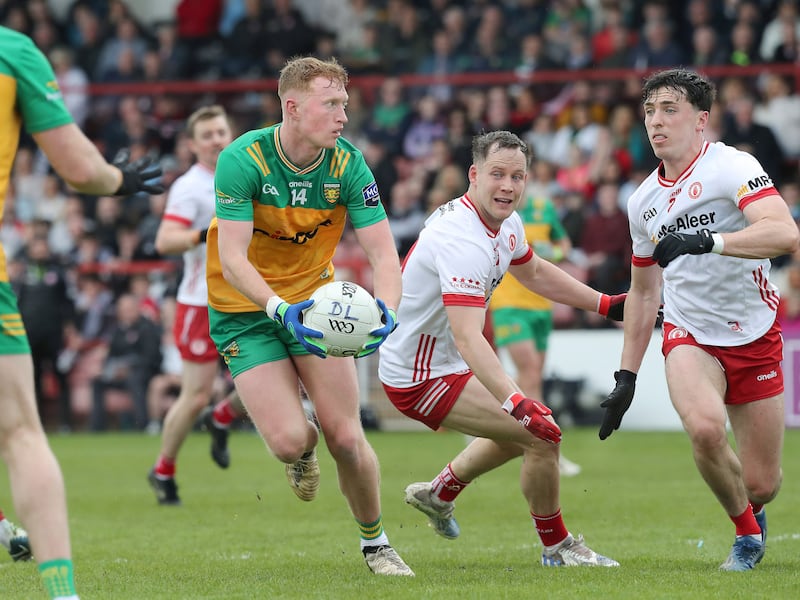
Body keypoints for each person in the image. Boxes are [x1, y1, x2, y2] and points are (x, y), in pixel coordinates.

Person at [205, 56, 412, 576]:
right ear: (292, 107)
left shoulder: (349, 165)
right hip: (245, 310)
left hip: (318, 306)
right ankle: (301, 453)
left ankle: (377, 544)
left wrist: (387, 309)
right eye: (332, 103)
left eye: (345, 103)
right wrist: (279, 308)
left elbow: (386, 256)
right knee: (290, 441)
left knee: (346, 435)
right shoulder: (242, 159)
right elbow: (232, 261)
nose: (344, 115)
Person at [378, 130, 624, 567]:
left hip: (446, 361)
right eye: (497, 174)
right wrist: (517, 402)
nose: (508, 186)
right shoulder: (462, 239)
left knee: (518, 436)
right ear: (474, 175)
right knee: (541, 434)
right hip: (419, 376)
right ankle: (557, 547)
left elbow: (533, 272)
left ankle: (440, 494)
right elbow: (470, 336)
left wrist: (603, 303)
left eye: (517, 176)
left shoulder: (504, 222)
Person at [599, 68, 800, 572]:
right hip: (689, 334)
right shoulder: (642, 201)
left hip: (755, 332)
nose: (656, 121)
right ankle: (745, 535)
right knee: (706, 431)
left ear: (701, 120)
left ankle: (752, 508)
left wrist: (712, 241)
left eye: (670, 109)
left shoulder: (733, 167)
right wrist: (627, 375)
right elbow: (645, 294)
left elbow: (784, 233)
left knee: (763, 484)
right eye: (649, 111)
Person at [0, 25, 163, 600]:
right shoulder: (11, 51)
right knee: (21, 433)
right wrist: (120, 182)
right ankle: (62, 595)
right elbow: (80, 169)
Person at [147, 105, 246, 506]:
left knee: (285, 380)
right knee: (195, 395)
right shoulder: (191, 186)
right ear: (191, 145)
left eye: (221, 131)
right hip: (201, 302)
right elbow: (164, 240)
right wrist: (203, 234)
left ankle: (223, 417)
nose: (217, 140)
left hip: (248, 296)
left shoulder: (245, 173)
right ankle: (163, 470)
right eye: (206, 135)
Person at [489, 186, 582, 476]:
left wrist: (546, 251)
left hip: (541, 304)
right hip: (508, 303)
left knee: (532, 377)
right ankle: (545, 443)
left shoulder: (545, 208)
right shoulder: (498, 210)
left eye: (519, 176)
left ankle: (489, 418)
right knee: (529, 371)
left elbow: (564, 245)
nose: (512, 184)